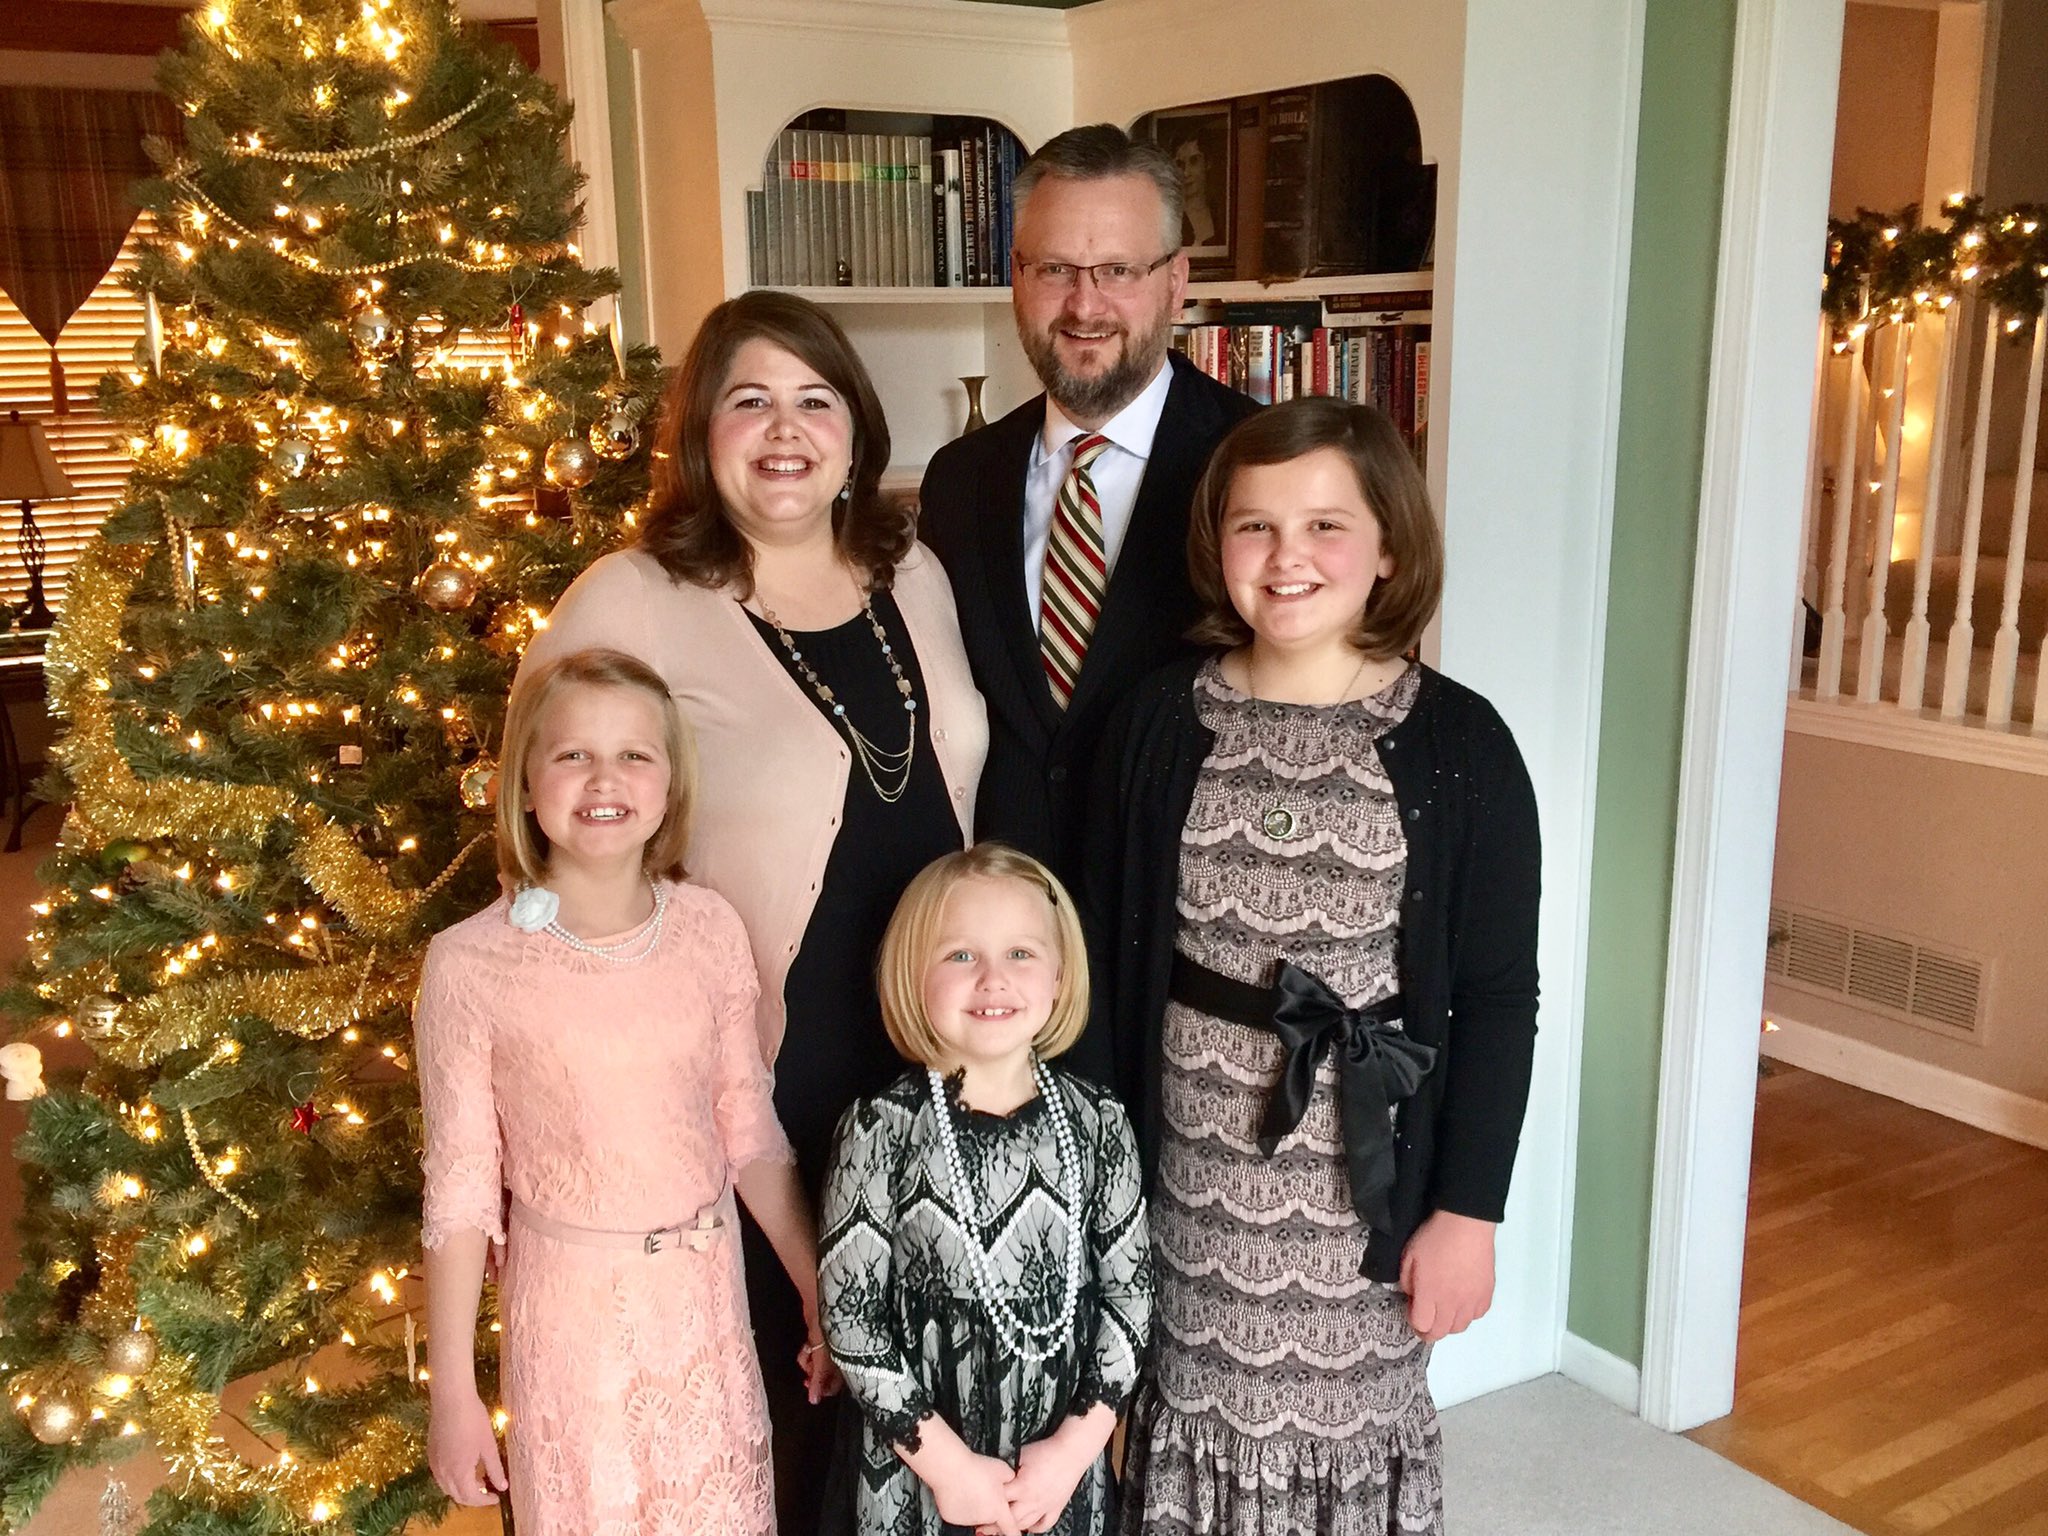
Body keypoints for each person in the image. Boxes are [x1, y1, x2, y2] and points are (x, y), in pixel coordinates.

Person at [518, 292, 989, 1533]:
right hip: (765, 1066)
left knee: (925, 1378)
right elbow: (540, 800)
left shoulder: (914, 569)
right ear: (699, 434)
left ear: (854, 426)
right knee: (794, 1385)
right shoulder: (631, 594)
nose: (784, 431)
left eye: (813, 399)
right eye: (748, 401)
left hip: (929, 1048)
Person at [1088, 399, 1542, 1536]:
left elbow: (1495, 999)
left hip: (1365, 1183)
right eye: (1254, 527)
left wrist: (1468, 1214)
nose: (1286, 558)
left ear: (1387, 547)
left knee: (1340, 1443)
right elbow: (1098, 957)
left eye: (1324, 526)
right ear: (1216, 547)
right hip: (1180, 1181)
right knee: (1187, 1419)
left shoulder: (1460, 745)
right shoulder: (1156, 721)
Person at [417, 647, 836, 1533]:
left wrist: (812, 1287)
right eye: (572, 754)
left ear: (670, 784)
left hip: (703, 1312)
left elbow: (748, 1128)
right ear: (526, 783)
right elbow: (458, 1191)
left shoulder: (708, 928)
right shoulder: (469, 964)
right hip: (571, 1326)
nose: (603, 779)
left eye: (634, 755)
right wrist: (452, 1392)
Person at [919, 124, 1256, 910]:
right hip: (1006, 944)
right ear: (1015, 276)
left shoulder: (1259, 468)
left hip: (1191, 935)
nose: (1083, 304)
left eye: (1116, 270)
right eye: (1055, 269)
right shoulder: (959, 480)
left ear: (1176, 280)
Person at [819, 844, 1153, 1536]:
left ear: (1060, 977)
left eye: (1022, 955)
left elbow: (1130, 1301)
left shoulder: (1099, 1124)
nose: (993, 979)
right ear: (914, 977)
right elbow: (852, 1321)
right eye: (961, 956)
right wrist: (949, 1470)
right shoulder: (879, 1130)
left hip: (1057, 1477)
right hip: (919, 1475)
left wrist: (1069, 1456)